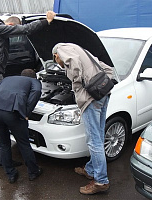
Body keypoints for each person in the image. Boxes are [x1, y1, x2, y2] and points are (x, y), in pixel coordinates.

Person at [0, 11, 56, 164]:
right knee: (2, 116)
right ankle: (2, 160)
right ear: (11, 25)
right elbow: (25, 29)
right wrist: (47, 21)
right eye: (12, 31)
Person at [52, 43, 114, 195]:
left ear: (56, 55)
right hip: (103, 94)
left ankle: (101, 181)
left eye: (57, 62)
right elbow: (108, 69)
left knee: (93, 141)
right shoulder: (84, 51)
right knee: (98, 136)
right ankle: (91, 169)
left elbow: (73, 65)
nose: (60, 65)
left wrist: (80, 84)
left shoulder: (61, 49)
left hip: (91, 99)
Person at [0, 69, 43, 183]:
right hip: (12, 112)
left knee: (4, 143)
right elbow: (36, 92)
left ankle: (11, 174)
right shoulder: (33, 81)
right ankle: (33, 172)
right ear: (34, 77)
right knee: (24, 143)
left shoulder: (7, 79)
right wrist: (26, 112)